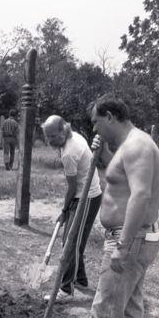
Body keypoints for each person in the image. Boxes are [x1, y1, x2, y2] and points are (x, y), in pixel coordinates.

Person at [61, 94, 159, 318]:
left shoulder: (137, 146)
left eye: (95, 121)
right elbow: (119, 180)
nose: (93, 126)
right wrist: (104, 153)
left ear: (109, 117)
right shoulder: (130, 145)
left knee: (105, 309)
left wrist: (121, 246)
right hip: (136, 238)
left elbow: (140, 196)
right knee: (130, 305)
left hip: (129, 239)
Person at [43, 115, 102, 303]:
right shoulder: (73, 135)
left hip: (86, 197)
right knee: (74, 241)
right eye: (48, 137)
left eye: (53, 136)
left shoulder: (69, 152)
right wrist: (67, 210)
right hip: (86, 194)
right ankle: (81, 280)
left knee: (70, 242)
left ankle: (66, 290)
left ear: (63, 130)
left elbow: (72, 188)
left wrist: (64, 210)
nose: (51, 140)